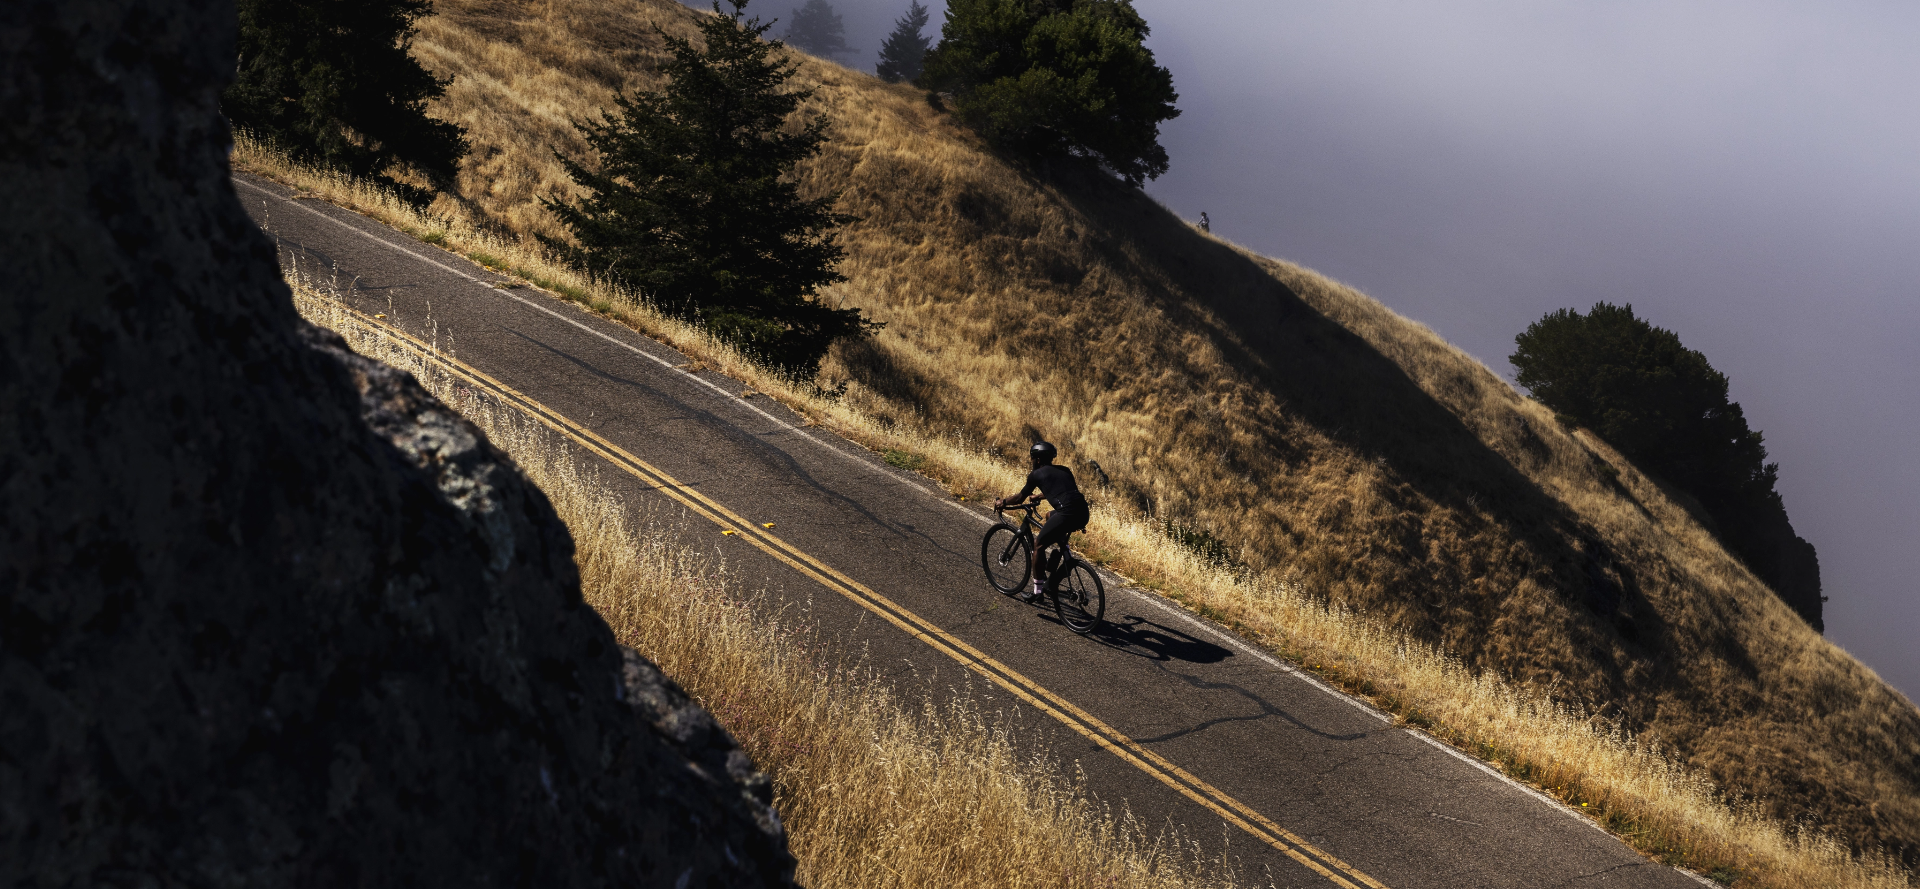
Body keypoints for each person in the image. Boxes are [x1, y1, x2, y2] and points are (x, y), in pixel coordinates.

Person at [994, 441, 1091, 600]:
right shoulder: (1065, 470)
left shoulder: (1036, 475)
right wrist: (1039, 496)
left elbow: (1020, 497)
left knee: (1038, 544)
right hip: (1083, 512)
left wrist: (1003, 502)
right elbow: (1063, 490)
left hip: (1066, 514)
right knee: (1049, 516)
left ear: (1038, 459)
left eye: (1033, 458)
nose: (1032, 461)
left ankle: (1038, 593)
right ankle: (1061, 555)